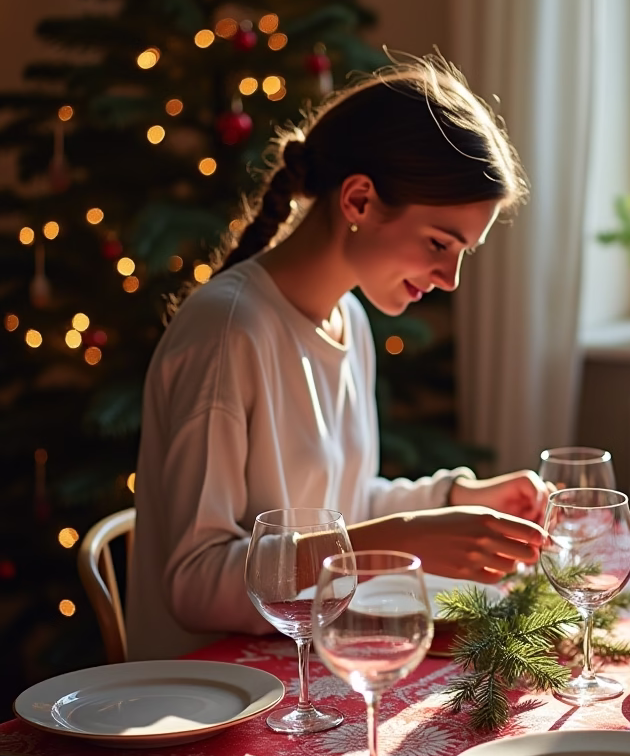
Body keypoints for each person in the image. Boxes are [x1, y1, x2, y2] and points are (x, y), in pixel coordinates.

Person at [127, 57, 548, 660]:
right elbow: (195, 583)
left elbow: (345, 506)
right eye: (439, 243)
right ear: (358, 199)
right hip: (206, 695)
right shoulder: (227, 332)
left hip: (305, 670)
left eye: (464, 253)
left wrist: (459, 498)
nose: (451, 279)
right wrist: (389, 545)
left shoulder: (347, 317)